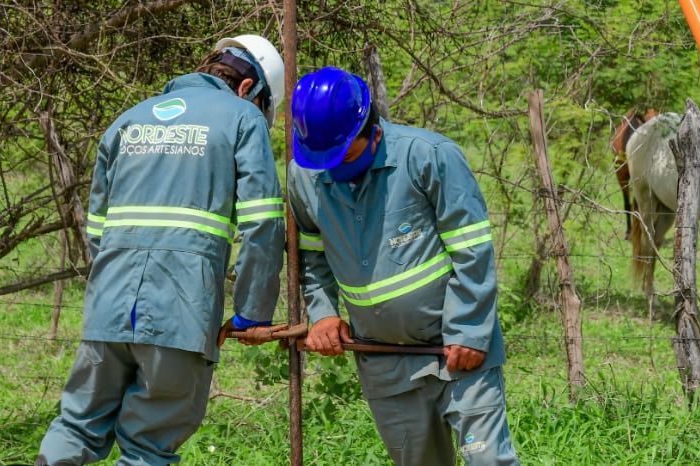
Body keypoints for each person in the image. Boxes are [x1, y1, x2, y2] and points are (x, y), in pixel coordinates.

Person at [36, 34, 289, 465]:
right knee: (148, 447)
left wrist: (113, 286)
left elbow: (96, 229)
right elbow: (263, 223)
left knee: (77, 426)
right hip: (181, 313)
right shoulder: (242, 118)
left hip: (108, 309)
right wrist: (252, 312)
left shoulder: (128, 120)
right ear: (249, 88)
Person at [287, 66, 520, 466]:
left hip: (458, 352)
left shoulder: (429, 155)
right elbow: (310, 255)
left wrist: (469, 330)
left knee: (489, 461)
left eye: (346, 157)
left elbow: (472, 250)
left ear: (374, 132)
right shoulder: (304, 176)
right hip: (383, 361)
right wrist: (323, 314)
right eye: (326, 160)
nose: (335, 169)